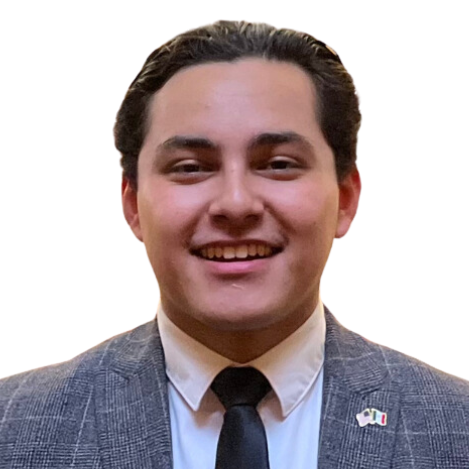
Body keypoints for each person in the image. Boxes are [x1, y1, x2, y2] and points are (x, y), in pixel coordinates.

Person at [0, 20, 468, 469]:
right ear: (132, 204)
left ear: (345, 197)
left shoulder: (456, 429)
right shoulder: (12, 429)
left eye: (279, 164)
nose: (236, 204)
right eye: (190, 167)